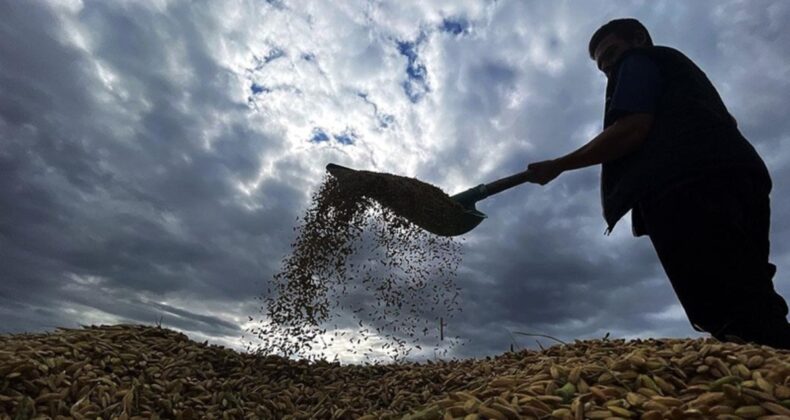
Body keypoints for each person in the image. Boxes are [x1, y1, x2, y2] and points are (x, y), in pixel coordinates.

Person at [525, 18, 790, 349]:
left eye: (611, 53)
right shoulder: (686, 76)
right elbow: (729, 122)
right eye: (601, 64)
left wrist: (559, 165)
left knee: (722, 304)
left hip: (688, 187)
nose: (608, 66)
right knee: (751, 289)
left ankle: (765, 384)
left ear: (638, 40)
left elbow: (634, 127)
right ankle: (775, 370)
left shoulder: (639, 61)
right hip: (740, 174)